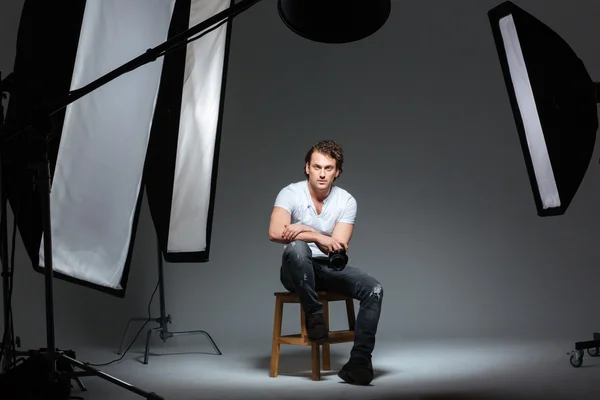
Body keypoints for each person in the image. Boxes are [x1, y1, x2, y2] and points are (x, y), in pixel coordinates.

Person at [268, 140, 383, 386]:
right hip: (295, 270)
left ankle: (359, 362)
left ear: (337, 171)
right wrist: (318, 236)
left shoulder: (346, 201)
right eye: (317, 166)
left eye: (328, 168)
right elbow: (276, 232)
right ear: (307, 167)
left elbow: (338, 246)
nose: (322, 174)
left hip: (326, 268)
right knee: (298, 248)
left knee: (374, 289)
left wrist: (305, 230)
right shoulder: (290, 193)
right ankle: (314, 315)